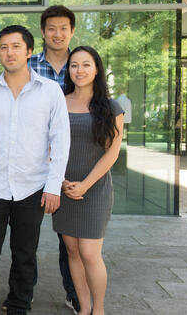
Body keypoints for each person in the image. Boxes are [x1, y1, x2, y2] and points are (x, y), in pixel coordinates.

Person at [0, 25, 70, 315]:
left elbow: (60, 140)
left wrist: (53, 186)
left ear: (28, 51)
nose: (9, 52)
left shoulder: (50, 92)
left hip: (32, 189)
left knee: (25, 257)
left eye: (15, 46)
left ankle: (18, 307)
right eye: (3, 47)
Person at [53, 46, 124, 315]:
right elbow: (48, 144)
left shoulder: (110, 107)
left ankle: (99, 310)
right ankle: (83, 309)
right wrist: (59, 181)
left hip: (94, 190)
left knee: (90, 254)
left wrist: (85, 184)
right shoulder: (58, 100)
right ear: (68, 70)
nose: (79, 70)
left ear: (97, 69)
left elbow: (112, 152)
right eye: (74, 65)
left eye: (86, 65)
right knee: (72, 253)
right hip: (64, 187)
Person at [27, 5, 80, 313]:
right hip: (34, 161)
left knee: (69, 236)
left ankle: (73, 291)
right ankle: (25, 289)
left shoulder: (82, 64)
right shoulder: (29, 65)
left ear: (71, 31)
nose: (57, 34)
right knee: (27, 233)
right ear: (43, 32)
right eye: (51, 28)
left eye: (63, 28)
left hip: (74, 161)